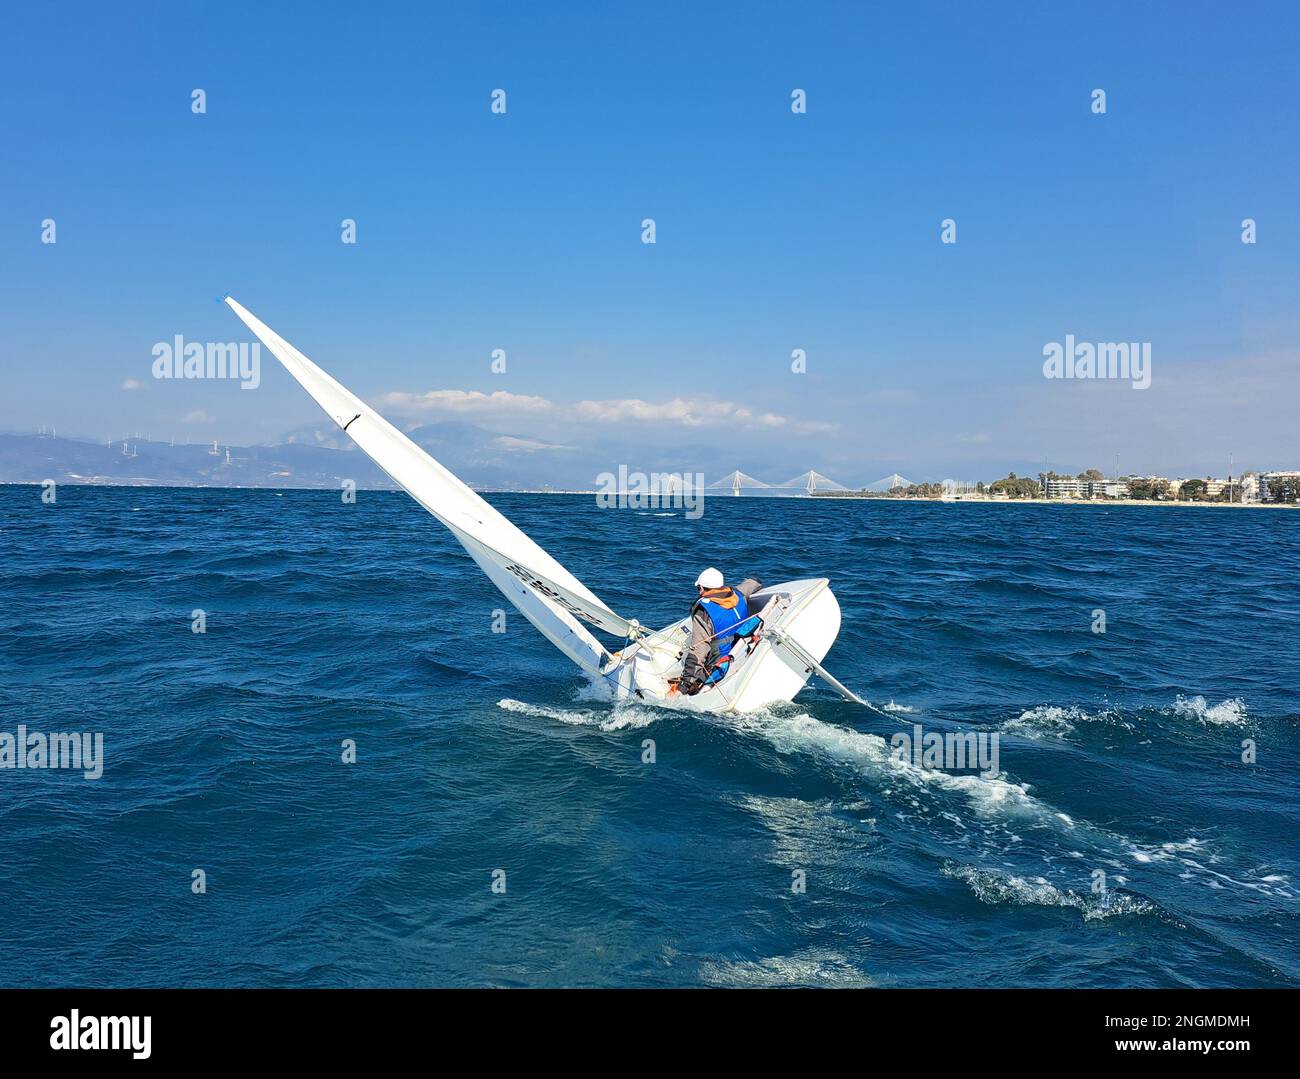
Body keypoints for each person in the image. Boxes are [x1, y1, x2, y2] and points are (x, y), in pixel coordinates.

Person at [677, 568, 763, 695]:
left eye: (698, 588)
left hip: (721, 661)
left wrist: (684, 685)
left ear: (701, 588)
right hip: (743, 649)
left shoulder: (704, 612)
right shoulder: (738, 594)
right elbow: (754, 583)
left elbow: (700, 648)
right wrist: (756, 581)